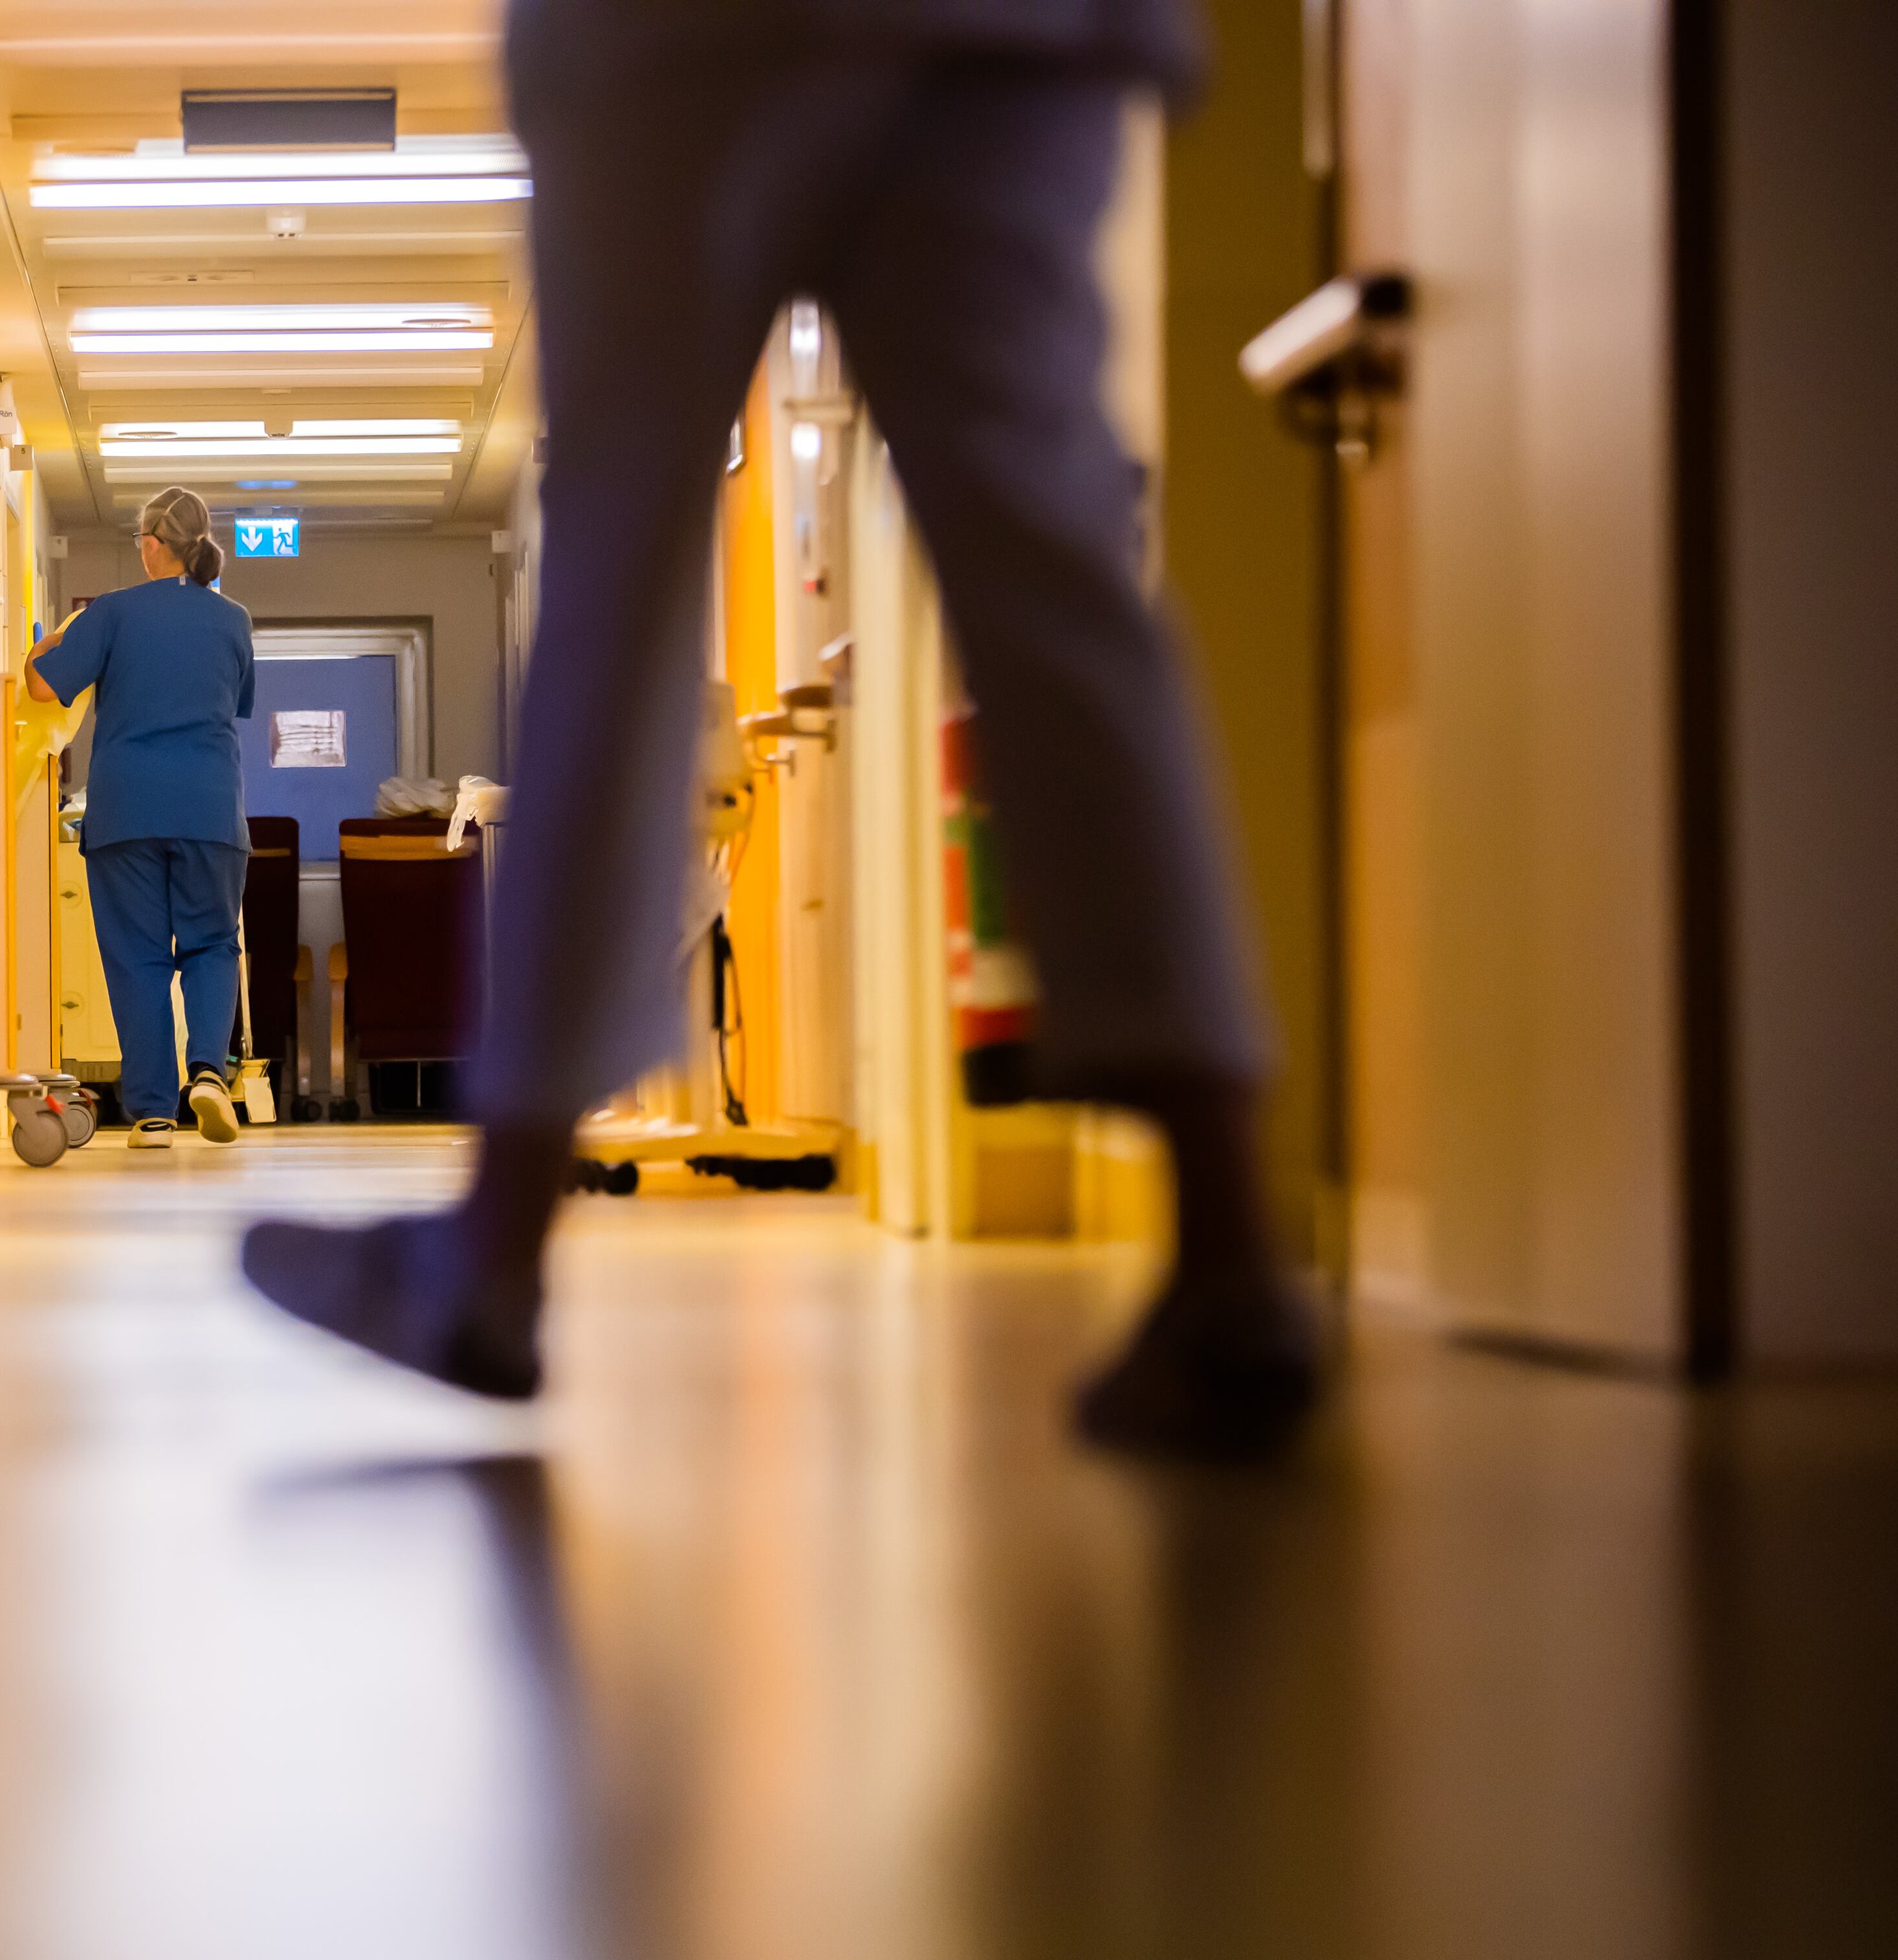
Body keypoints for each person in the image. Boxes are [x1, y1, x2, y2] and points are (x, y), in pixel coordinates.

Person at [240, 0, 1324, 1451]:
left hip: (694, 38)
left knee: (620, 564)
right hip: (1020, 32)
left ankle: (490, 1255)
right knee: (1055, 559)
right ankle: (1231, 1244)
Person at [29, 487, 257, 1149]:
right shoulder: (232, 620)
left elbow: (44, 686)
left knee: (137, 957)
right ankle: (209, 1073)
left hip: (127, 809)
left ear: (152, 543)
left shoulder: (111, 613)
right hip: (210, 808)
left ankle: (153, 1114)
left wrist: (39, 650)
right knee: (213, 944)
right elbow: (236, 704)